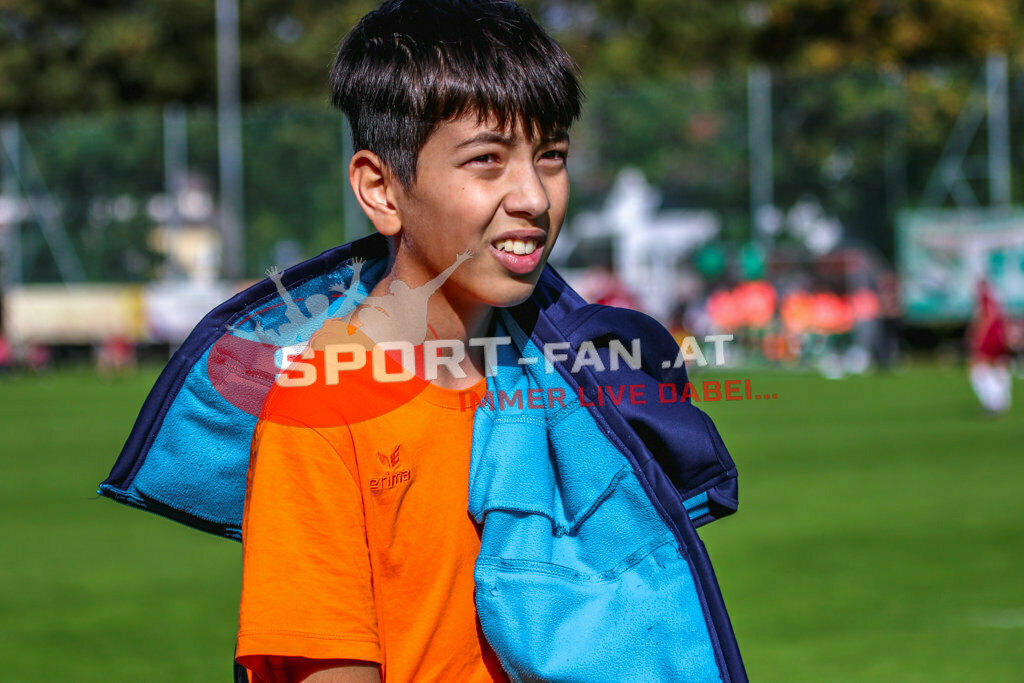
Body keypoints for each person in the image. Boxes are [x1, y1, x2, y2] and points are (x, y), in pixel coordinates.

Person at [98, 2, 744, 681]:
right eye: (487, 160)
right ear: (381, 189)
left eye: (550, 155)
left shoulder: (566, 374)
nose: (534, 195)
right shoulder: (321, 408)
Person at [968, 279, 1012, 415]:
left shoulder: (985, 298)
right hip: (998, 335)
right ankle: (1001, 401)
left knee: (978, 367)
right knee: (998, 365)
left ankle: (992, 403)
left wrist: (978, 336)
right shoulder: (996, 297)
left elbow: (987, 317)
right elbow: (1002, 317)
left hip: (990, 336)